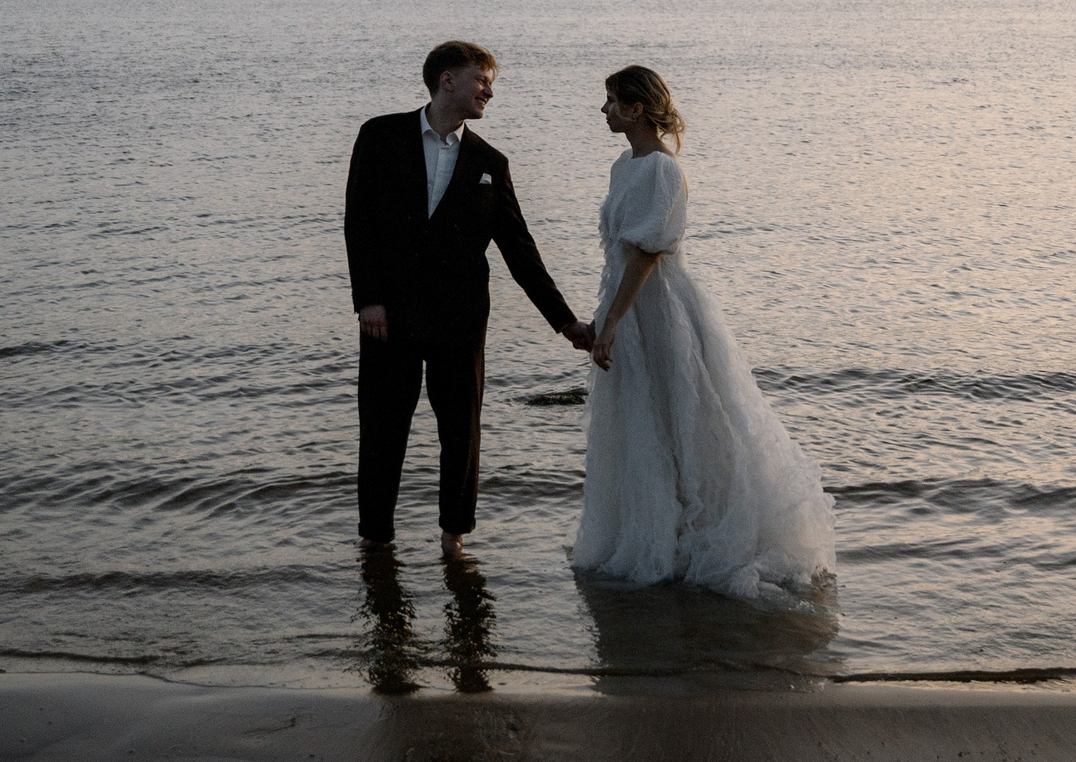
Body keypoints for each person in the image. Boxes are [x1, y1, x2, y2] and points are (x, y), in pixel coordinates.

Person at [573, 64, 836, 599]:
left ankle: (703, 536)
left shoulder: (662, 171)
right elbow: (620, 253)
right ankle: (655, 534)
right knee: (640, 426)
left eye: (610, 101)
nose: (602, 111)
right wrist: (606, 318)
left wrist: (612, 323)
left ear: (636, 109)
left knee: (682, 420)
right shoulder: (624, 166)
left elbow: (648, 253)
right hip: (625, 304)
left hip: (660, 308)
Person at [346, 40, 594, 558]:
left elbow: (520, 250)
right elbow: (359, 225)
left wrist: (565, 322)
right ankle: (375, 537)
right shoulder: (379, 136)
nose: (490, 91)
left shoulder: (489, 161)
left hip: (460, 322)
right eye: (483, 80)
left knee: (461, 430)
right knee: (383, 427)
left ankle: (453, 536)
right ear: (447, 80)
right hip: (387, 317)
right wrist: (368, 300)